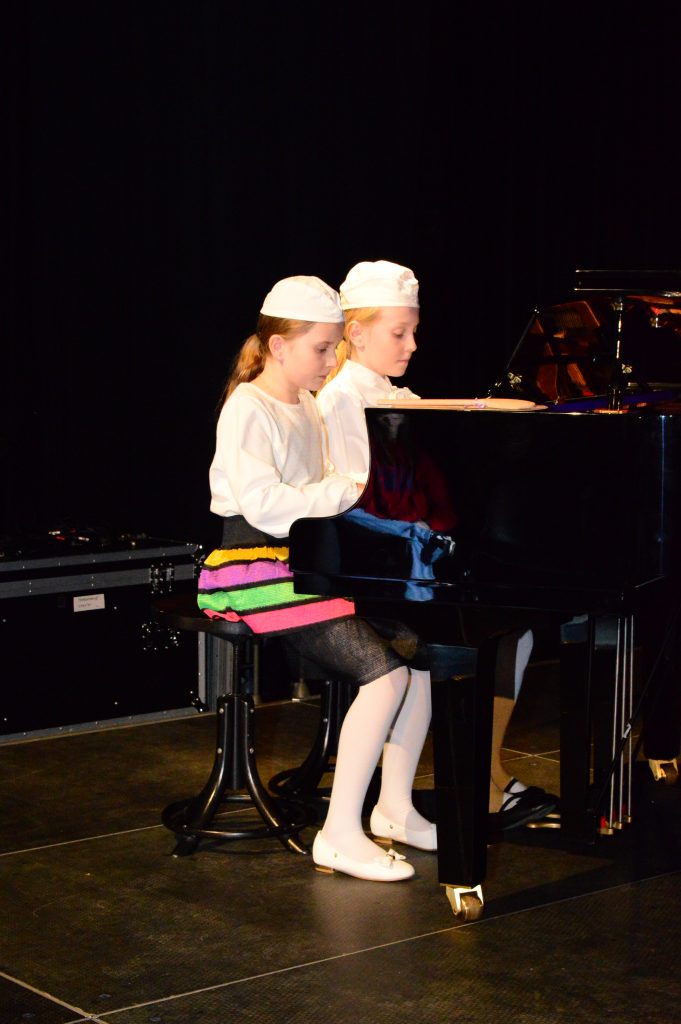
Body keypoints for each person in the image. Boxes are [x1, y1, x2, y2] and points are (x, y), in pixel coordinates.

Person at [197, 274, 438, 882]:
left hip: (298, 562)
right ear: (278, 346)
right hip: (249, 569)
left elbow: (325, 490)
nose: (332, 361)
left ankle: (394, 807)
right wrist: (342, 492)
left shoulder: (305, 403)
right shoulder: (248, 406)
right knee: (384, 674)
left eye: (335, 348)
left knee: (421, 655)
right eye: (322, 349)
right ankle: (339, 834)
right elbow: (263, 505)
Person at [317, 259, 557, 828]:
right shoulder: (340, 399)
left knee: (514, 624)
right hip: (371, 568)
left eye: (414, 332)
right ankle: (450, 785)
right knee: (474, 630)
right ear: (356, 333)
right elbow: (356, 503)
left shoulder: (398, 394)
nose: (413, 345)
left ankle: (476, 773)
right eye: (400, 333)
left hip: (408, 555)